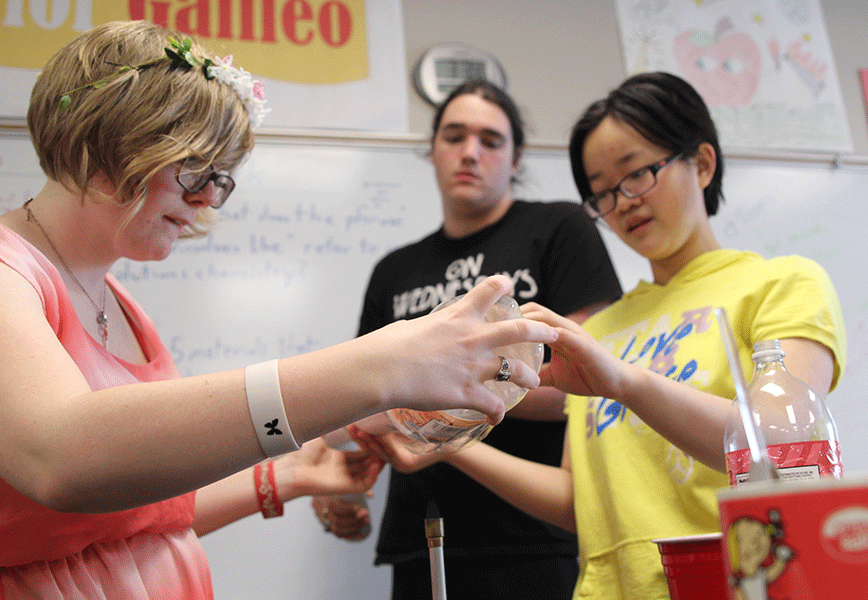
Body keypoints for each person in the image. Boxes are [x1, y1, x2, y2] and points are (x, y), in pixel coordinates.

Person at [0, 22, 561, 599]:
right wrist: (377, 368)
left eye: (219, 179)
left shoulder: (120, 304)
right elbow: (61, 459)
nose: (204, 199)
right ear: (100, 138)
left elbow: (139, 519)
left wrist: (287, 476)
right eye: (192, 168)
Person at [352, 72, 847, 599]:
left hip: (738, 580)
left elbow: (787, 449)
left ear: (702, 163)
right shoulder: (605, 329)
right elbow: (576, 503)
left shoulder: (782, 283)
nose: (624, 201)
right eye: (603, 192)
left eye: (637, 174)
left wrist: (626, 382)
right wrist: (444, 443)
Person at [312, 79, 623, 599]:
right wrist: (337, 483)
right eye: (453, 136)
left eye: (491, 140)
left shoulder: (559, 229)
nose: (470, 153)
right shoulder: (394, 271)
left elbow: (586, 386)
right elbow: (360, 398)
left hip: (534, 537)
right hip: (420, 534)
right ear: (432, 151)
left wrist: (427, 395)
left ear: (517, 157)